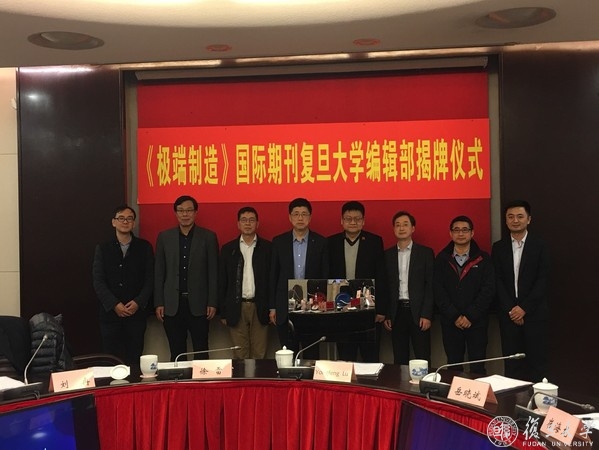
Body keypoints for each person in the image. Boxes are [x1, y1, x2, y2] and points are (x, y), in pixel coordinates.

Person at [154, 195, 219, 361]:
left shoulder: (208, 237)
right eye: (181, 210)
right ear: (175, 213)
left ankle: (202, 378)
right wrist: (159, 302)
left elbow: (213, 272)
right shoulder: (164, 237)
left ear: (196, 213)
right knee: (176, 351)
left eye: (189, 210)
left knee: (201, 350)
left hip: (199, 304)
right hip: (172, 304)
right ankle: (178, 378)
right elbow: (159, 272)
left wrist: (212, 302)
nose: (185, 214)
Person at [492, 200, 549, 382]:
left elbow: (543, 280)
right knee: (512, 365)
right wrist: (512, 309)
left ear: (529, 219)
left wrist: (524, 308)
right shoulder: (498, 247)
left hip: (534, 314)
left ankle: (536, 399)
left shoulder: (540, 245)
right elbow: (497, 281)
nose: (515, 220)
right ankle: (512, 399)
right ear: (506, 220)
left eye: (520, 216)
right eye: (510, 217)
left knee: (537, 363)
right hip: (508, 315)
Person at [92, 205, 154, 366]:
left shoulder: (144, 247)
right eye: (121, 218)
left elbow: (150, 279)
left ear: (134, 223)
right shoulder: (103, 248)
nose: (125, 222)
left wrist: (138, 302)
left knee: (134, 358)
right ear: (113, 222)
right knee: (110, 360)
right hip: (110, 315)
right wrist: (114, 304)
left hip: (136, 314)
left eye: (129, 219)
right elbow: (98, 281)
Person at [434, 215, 494, 374]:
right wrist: (455, 316)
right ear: (450, 233)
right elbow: (438, 291)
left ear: (472, 233)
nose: (460, 233)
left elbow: (488, 290)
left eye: (465, 230)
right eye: (456, 230)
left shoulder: (483, 258)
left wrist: (470, 316)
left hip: (477, 322)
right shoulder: (442, 259)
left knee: (478, 366)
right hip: (450, 322)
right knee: (453, 366)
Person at [328, 201, 387, 362]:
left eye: (357, 219)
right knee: (346, 357)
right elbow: (327, 275)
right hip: (341, 309)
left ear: (363, 221)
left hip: (368, 308)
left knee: (370, 357)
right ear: (342, 221)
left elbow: (381, 276)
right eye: (348, 219)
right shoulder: (331, 243)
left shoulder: (374, 241)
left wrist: (381, 309)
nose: (353, 222)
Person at [269, 198, 328, 356]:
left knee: (311, 354)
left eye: (304, 214)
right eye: (296, 214)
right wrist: (273, 307)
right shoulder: (279, 242)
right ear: (290, 217)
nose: (300, 218)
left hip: (313, 308)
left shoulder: (321, 242)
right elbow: (273, 276)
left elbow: (325, 276)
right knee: (288, 354)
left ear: (310, 217)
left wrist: (324, 303)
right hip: (284, 307)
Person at [219, 206, 271, 359]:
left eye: (251, 220)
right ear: (238, 224)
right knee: (239, 353)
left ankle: (258, 376)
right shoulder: (228, 249)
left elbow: (272, 280)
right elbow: (222, 281)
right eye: (244, 220)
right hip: (237, 306)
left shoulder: (268, 248)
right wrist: (223, 311)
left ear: (257, 224)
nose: (248, 223)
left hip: (260, 306)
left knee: (259, 353)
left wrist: (272, 307)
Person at [383, 211, 434, 366]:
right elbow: (386, 286)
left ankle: (425, 382)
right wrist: (387, 314)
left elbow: (431, 285)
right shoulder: (387, 255)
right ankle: (401, 382)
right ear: (393, 229)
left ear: (413, 228)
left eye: (405, 224)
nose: (401, 228)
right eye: (397, 225)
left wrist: (427, 314)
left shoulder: (425, 253)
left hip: (418, 312)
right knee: (399, 357)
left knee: (422, 356)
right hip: (397, 312)